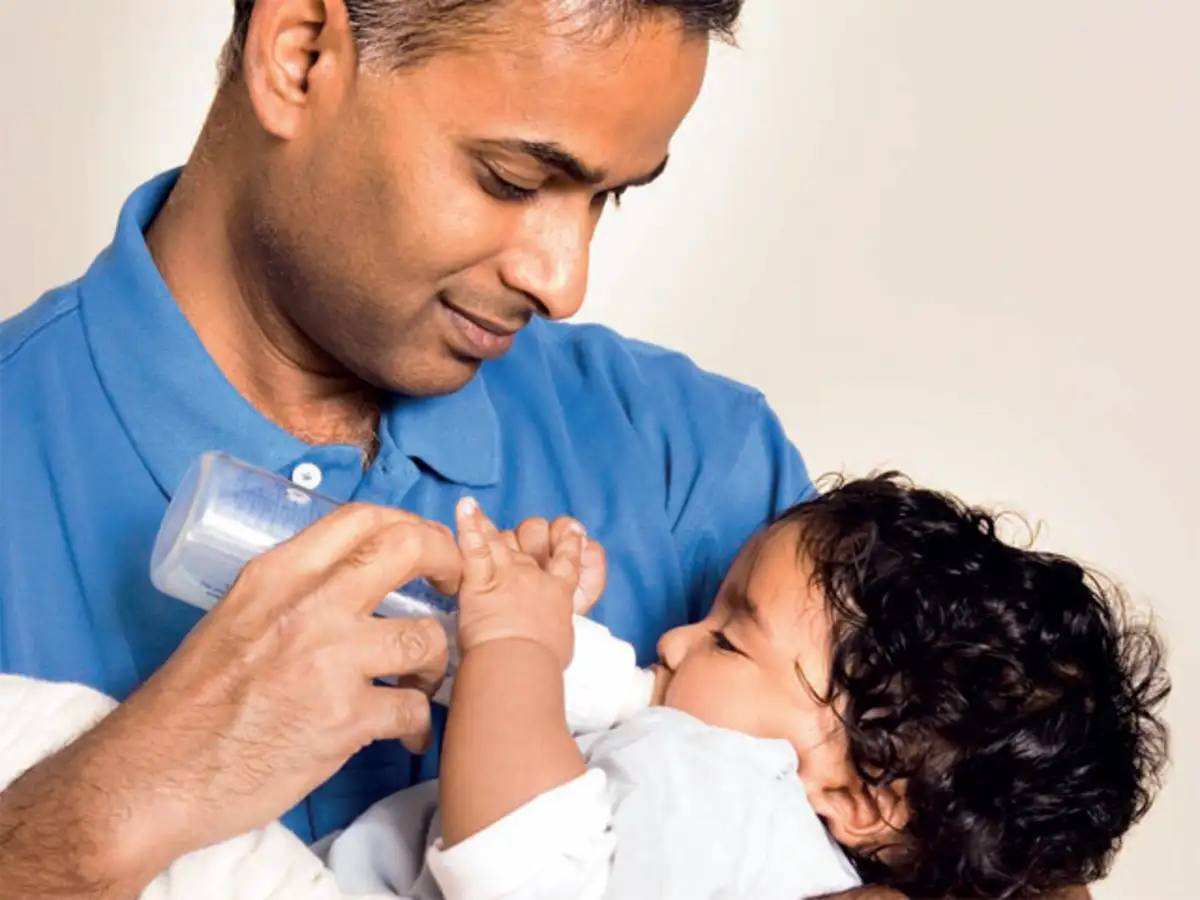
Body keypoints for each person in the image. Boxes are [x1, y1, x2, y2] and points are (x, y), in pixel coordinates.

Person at [0, 2, 1096, 900]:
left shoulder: (693, 458)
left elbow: (1000, 849)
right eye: (513, 180)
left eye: (608, 197)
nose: (565, 282)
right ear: (301, 54)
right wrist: (106, 810)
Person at [0, 477, 1167, 899]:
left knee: (65, 739)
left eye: (729, 638)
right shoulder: (756, 798)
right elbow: (600, 688)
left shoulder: (721, 784)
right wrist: (515, 630)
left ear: (860, 793)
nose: (675, 637)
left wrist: (514, 641)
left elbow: (517, 862)